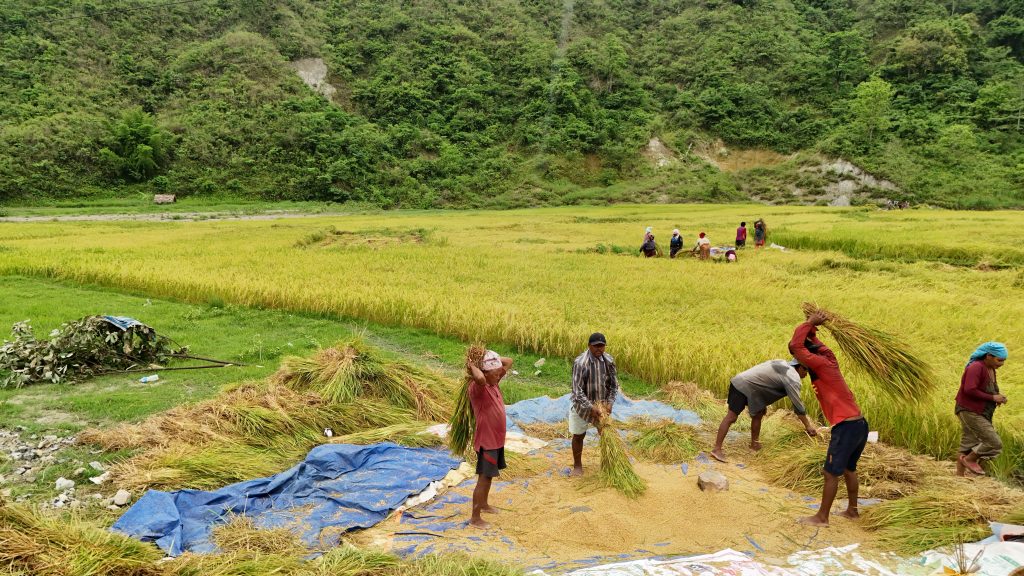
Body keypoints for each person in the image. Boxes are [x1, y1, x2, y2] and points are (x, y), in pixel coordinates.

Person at [790, 312, 866, 527]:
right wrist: (812, 332)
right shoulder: (829, 360)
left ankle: (821, 517)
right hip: (859, 424)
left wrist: (809, 323)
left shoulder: (821, 365)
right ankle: (852, 511)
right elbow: (814, 346)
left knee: (830, 473)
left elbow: (797, 347)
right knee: (850, 468)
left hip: (846, 427)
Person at [710, 359, 817, 463]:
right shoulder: (792, 378)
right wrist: (808, 426)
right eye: (806, 370)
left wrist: (762, 402)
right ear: (800, 367)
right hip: (742, 386)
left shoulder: (781, 362)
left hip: (750, 387)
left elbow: (763, 378)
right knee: (731, 417)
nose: (806, 375)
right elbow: (798, 406)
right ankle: (717, 449)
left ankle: (754, 444)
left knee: (759, 413)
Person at [467, 350, 513, 529]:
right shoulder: (478, 387)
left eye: (498, 372)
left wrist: (490, 359)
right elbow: (479, 379)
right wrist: (473, 365)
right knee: (484, 477)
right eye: (495, 373)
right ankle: (475, 518)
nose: (499, 374)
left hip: (497, 439)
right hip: (487, 441)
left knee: (490, 476)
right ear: (485, 373)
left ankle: (484, 504)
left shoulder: (493, 383)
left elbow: (508, 360)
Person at [955, 342, 1008, 476]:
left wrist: (998, 397)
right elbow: (969, 389)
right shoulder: (976, 367)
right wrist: (992, 398)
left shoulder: (990, 369)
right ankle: (970, 460)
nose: (1002, 363)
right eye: (999, 360)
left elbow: (986, 390)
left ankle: (959, 477)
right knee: (994, 443)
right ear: (988, 356)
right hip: (970, 410)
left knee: (969, 441)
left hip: (980, 411)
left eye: (1004, 360)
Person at [569, 332, 618, 477]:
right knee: (578, 436)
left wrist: (609, 403)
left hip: (601, 407)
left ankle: (608, 463)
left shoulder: (609, 361)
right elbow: (577, 391)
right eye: (596, 346)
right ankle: (577, 466)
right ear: (589, 346)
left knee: (605, 434)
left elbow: (614, 386)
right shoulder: (580, 363)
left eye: (601, 346)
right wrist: (591, 407)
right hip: (582, 408)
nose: (599, 349)